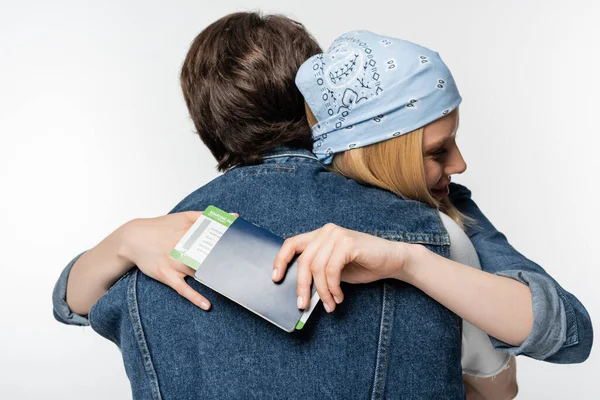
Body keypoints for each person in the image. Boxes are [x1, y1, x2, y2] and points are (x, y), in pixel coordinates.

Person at [51, 13, 591, 400]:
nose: (457, 164)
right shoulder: (430, 226)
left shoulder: (158, 245)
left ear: (204, 123)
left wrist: (122, 241)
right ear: (318, 107)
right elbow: (552, 345)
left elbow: (70, 304)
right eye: (438, 149)